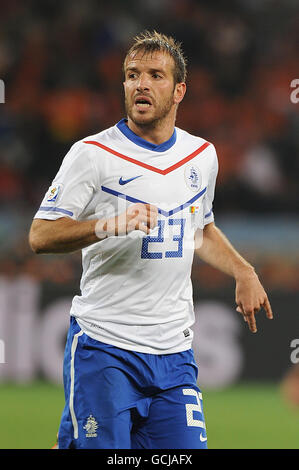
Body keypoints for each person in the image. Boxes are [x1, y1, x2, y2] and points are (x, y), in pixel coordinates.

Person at [29, 31, 273, 449]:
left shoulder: (202, 156)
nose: (141, 83)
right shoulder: (92, 154)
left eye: (155, 75)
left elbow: (200, 229)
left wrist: (243, 270)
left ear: (179, 90)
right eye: (132, 74)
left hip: (174, 356)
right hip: (105, 348)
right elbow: (40, 235)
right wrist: (108, 225)